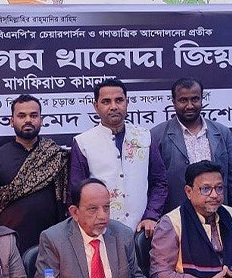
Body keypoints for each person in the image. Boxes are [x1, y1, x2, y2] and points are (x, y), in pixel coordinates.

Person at [70, 79, 168, 237]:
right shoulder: (83, 142)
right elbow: (77, 192)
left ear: (127, 102)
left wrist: (151, 216)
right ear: (96, 106)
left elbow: (159, 183)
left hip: (142, 230)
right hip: (100, 231)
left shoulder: (144, 136)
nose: (113, 106)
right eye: (106, 101)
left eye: (119, 100)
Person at [33, 178, 148, 278]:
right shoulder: (54, 240)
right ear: (75, 212)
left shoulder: (123, 234)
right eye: (93, 209)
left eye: (106, 207)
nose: (102, 216)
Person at [150, 161, 232, 278]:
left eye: (219, 188)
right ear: (189, 192)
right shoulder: (171, 223)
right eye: (206, 189)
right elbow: (160, 274)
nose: (214, 195)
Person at [0, 94, 68, 253]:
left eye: (33, 115)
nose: (28, 120)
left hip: (53, 240)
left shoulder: (56, 156)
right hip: (10, 242)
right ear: (11, 121)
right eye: (21, 116)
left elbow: (66, 199)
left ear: (41, 120)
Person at [151, 78, 232, 214]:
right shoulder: (157, 135)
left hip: (217, 214)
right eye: (183, 100)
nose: (189, 106)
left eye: (195, 99)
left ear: (202, 99)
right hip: (177, 216)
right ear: (174, 102)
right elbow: (155, 183)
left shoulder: (222, 132)